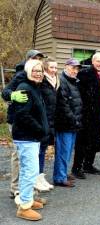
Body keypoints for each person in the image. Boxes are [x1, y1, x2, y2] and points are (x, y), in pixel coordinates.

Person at [1, 50, 45, 198]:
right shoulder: (21, 75)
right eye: (34, 58)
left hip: (31, 121)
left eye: (40, 59)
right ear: (28, 60)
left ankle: (30, 190)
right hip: (17, 120)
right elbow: (5, 92)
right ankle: (16, 188)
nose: (37, 60)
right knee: (19, 156)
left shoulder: (39, 78)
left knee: (29, 160)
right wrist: (12, 95)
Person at [12, 60, 48, 221]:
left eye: (40, 70)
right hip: (26, 137)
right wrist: (39, 129)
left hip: (31, 137)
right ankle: (24, 207)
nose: (38, 73)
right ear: (27, 71)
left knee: (28, 171)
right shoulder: (25, 88)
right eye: (34, 70)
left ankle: (26, 199)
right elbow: (22, 115)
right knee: (30, 172)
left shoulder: (35, 87)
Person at [72, 53, 100, 179]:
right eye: (98, 61)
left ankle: (88, 165)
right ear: (93, 61)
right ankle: (76, 168)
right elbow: (80, 94)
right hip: (86, 114)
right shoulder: (85, 73)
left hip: (98, 114)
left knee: (94, 141)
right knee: (82, 142)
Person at [53, 59, 83, 187]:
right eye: (73, 68)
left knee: (68, 151)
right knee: (63, 152)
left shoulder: (73, 82)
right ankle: (60, 178)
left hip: (72, 124)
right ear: (66, 67)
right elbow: (63, 105)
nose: (75, 71)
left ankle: (63, 173)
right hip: (65, 124)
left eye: (77, 69)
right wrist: (74, 119)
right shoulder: (62, 81)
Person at [35, 58, 59, 191]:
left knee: (43, 151)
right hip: (42, 120)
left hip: (51, 120)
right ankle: (35, 179)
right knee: (38, 152)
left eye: (56, 68)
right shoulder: (42, 82)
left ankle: (40, 177)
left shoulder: (56, 81)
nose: (54, 70)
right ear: (45, 68)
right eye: (52, 67)